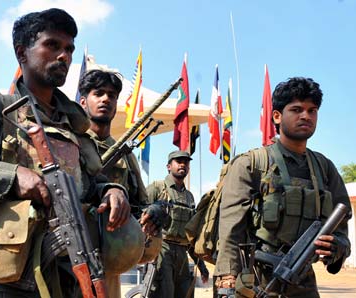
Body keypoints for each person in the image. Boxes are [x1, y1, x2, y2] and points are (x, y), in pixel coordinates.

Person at [0, 8, 130, 298]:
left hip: (72, 278)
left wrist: (111, 191)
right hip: (10, 284)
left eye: (69, 49)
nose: (64, 56)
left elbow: (90, 183)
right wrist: (10, 175)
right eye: (52, 45)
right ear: (22, 53)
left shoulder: (75, 125)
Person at [214, 77, 351, 297]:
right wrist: (227, 280)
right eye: (296, 109)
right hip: (255, 279)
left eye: (312, 110)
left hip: (303, 280)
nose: (306, 115)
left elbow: (341, 225)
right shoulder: (252, 164)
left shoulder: (324, 168)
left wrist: (338, 247)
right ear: (277, 116)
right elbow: (232, 228)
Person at [78, 69, 167, 297]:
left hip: (109, 264)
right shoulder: (69, 144)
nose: (106, 99)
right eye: (98, 93)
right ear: (83, 101)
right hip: (67, 258)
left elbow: (141, 205)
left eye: (111, 95)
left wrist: (155, 212)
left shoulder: (124, 154)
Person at [146, 150, 209, 298]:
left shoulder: (189, 197)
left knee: (185, 293)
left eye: (186, 162)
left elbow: (192, 235)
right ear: (169, 166)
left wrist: (201, 265)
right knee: (163, 292)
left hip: (182, 254)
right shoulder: (157, 188)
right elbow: (139, 213)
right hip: (161, 250)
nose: (183, 164)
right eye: (178, 161)